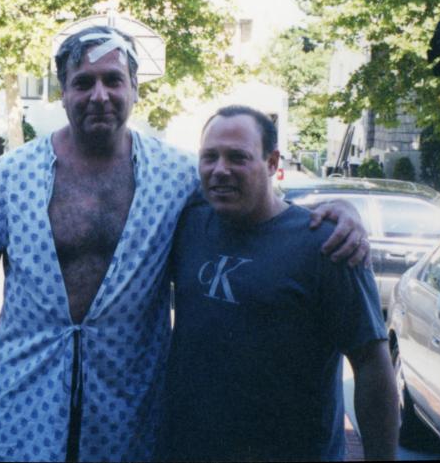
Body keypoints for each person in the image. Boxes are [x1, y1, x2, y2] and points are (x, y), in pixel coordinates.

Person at [0, 27, 370, 462]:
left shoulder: (177, 177)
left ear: (135, 89)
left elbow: (253, 195)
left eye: (113, 80)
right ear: (63, 93)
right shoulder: (9, 177)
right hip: (24, 402)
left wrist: (339, 209)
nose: (99, 95)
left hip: (128, 414)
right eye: (83, 82)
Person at [154, 106, 398, 462]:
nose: (220, 170)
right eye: (210, 157)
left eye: (238, 157)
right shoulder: (186, 225)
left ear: (271, 163)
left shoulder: (327, 244)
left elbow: (372, 365)